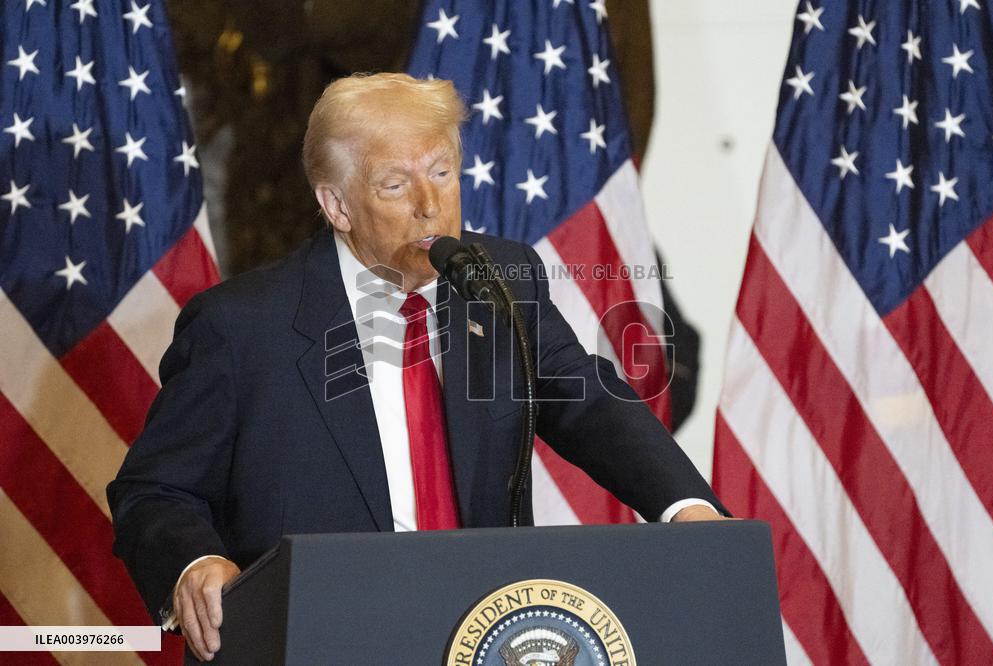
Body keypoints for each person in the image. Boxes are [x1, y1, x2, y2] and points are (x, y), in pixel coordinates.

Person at [107, 73, 728, 663]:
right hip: (324, 640)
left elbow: (586, 399)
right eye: (395, 186)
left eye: (442, 173)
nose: (431, 206)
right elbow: (155, 490)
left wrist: (684, 505)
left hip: (483, 636)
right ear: (337, 204)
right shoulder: (242, 326)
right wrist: (194, 564)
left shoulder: (498, 280)